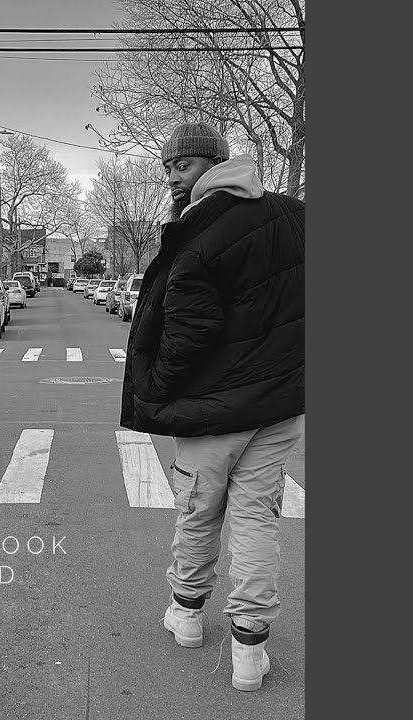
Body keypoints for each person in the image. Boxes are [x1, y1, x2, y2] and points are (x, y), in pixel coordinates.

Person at [119, 122, 305, 692]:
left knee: (199, 511)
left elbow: (189, 330)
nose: (172, 178)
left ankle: (188, 615)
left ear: (214, 163)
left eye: (183, 166)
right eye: (168, 168)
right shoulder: (295, 215)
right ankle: (250, 648)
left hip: (210, 411)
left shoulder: (199, 230)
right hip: (279, 405)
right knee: (256, 519)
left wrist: (156, 389)